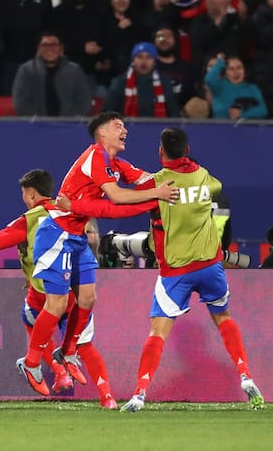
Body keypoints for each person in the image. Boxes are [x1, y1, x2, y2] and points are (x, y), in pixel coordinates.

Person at [61, 128, 265, 411]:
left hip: (176, 273)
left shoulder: (157, 184)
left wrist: (74, 205)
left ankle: (140, 393)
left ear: (160, 152)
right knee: (224, 318)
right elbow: (214, 187)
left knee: (157, 332)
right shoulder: (206, 178)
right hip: (210, 266)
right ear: (188, 149)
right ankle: (246, 375)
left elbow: (117, 203)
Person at [0, 169, 153, 408]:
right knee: (85, 343)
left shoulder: (29, 220)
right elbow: (102, 222)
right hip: (78, 295)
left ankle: (50, 368)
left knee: (32, 317)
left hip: (45, 295)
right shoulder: (71, 209)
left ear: (29, 194)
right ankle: (106, 396)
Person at [15, 112, 179, 396]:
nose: (125, 130)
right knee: (57, 304)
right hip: (57, 235)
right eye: (118, 126)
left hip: (76, 236)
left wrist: (182, 178)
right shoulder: (96, 157)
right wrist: (156, 197)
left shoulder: (116, 163)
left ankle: (65, 352)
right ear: (102, 133)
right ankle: (30, 363)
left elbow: (149, 180)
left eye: (124, 126)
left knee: (88, 298)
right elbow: (116, 198)